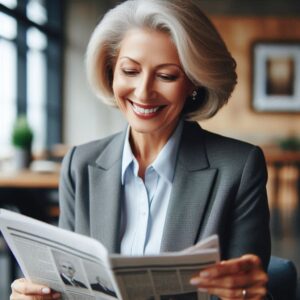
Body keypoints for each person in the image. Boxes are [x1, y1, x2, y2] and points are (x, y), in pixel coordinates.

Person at [10, 0, 271, 299]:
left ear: (194, 83)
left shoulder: (239, 168)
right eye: (130, 70)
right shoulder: (79, 164)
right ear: (111, 72)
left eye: (166, 76)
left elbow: (248, 285)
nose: (144, 92)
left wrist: (250, 294)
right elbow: (68, 288)